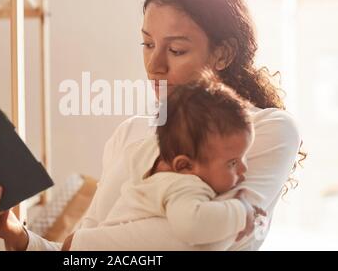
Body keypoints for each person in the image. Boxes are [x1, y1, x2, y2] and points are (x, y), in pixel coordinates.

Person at [0, 0, 303, 251]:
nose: (154, 65)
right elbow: (78, 246)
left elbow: (199, 241)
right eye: (148, 44)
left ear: (223, 54)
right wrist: (15, 234)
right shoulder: (130, 133)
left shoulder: (266, 129)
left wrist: (78, 245)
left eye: (177, 50)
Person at [99, 71, 267, 249]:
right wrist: (241, 212)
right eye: (232, 163)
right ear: (184, 165)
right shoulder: (184, 185)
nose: (243, 169)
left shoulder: (149, 162)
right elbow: (192, 226)